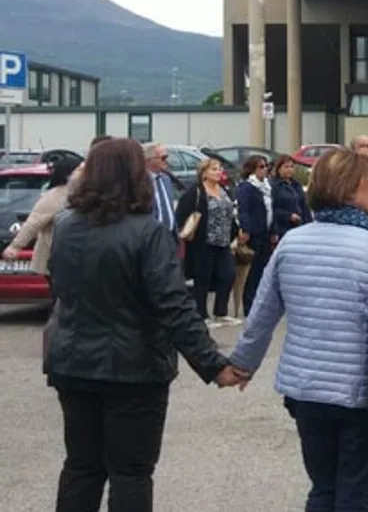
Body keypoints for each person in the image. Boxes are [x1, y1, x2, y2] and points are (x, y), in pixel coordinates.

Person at [230, 147, 368, 512]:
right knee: (354, 492)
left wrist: (242, 364)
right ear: (350, 188)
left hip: (306, 391)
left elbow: (262, 315)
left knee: (323, 488)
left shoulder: (292, 244)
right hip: (362, 390)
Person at [46, 138, 244, 512]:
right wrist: (214, 365)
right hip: (133, 369)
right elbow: (173, 305)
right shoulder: (147, 232)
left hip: (72, 361)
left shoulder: (66, 225)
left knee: (82, 466)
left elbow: (59, 285)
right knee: (131, 472)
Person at [174, 158, 239, 325]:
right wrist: (185, 231)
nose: (219, 172)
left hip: (223, 241)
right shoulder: (195, 192)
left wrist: (236, 231)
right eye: (214, 169)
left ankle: (221, 312)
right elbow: (182, 213)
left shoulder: (223, 189)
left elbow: (230, 212)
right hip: (203, 242)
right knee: (203, 278)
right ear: (204, 174)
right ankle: (201, 315)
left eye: (219, 169)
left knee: (228, 274)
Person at [2, 157, 82, 292]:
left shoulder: (83, 193)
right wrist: (16, 246)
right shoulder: (56, 196)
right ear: (69, 174)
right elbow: (34, 222)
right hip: (56, 258)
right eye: (81, 169)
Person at [236, 155, 274, 316]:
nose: (265, 170)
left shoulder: (267, 187)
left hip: (266, 232)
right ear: (252, 169)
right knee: (252, 272)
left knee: (262, 270)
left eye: (266, 166)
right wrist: (245, 229)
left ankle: (259, 303)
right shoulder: (247, 187)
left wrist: (273, 231)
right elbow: (244, 209)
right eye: (261, 167)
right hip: (254, 233)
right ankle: (248, 305)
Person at [270, 155, 312, 239]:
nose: (289, 169)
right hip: (283, 228)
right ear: (279, 169)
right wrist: (288, 216)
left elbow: (304, 205)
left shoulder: (296, 185)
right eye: (286, 167)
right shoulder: (274, 186)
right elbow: (272, 209)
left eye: (292, 167)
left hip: (300, 227)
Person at [143, 143, 177, 236]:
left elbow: (170, 207)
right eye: (163, 157)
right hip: (150, 237)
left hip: (169, 237)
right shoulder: (140, 182)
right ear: (149, 159)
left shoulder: (166, 179)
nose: (166, 161)